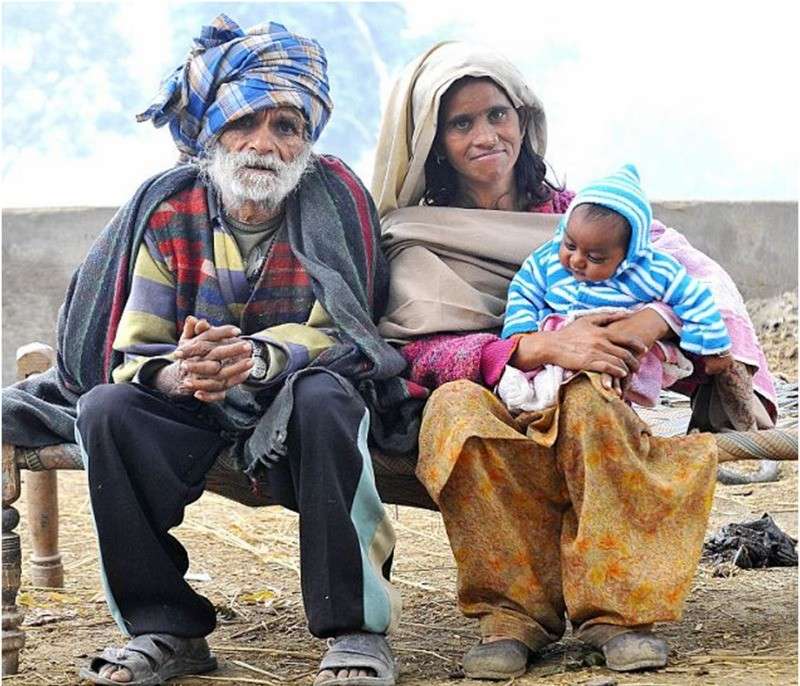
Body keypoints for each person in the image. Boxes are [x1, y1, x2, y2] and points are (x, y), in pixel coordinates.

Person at [3, 15, 404, 686]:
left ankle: (356, 631)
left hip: (298, 403)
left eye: (286, 127)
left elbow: (346, 331)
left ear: (308, 140)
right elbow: (136, 347)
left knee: (329, 396)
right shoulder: (169, 210)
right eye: (244, 124)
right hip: (194, 405)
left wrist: (258, 356)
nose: (263, 145)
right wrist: (177, 372)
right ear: (212, 135)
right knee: (106, 409)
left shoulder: (337, 201)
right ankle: (165, 628)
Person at [370, 41, 777, 680]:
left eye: (498, 115)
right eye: (461, 123)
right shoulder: (414, 233)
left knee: (591, 399)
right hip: (500, 393)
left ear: (524, 122)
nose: (486, 136)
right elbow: (410, 353)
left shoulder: (582, 215)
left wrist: (657, 321)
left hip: (597, 394)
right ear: (432, 142)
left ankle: (614, 614)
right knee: (453, 410)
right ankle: (511, 614)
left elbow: (696, 284)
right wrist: (535, 346)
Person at [498, 163, 747, 414]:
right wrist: (523, 330)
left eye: (595, 258)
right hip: (560, 335)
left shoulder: (649, 270)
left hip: (621, 345)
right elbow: (524, 288)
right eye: (570, 245)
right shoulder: (548, 259)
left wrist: (713, 349)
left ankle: (611, 406)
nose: (576, 260)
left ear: (628, 254)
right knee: (525, 386)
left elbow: (694, 297)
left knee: (609, 385)